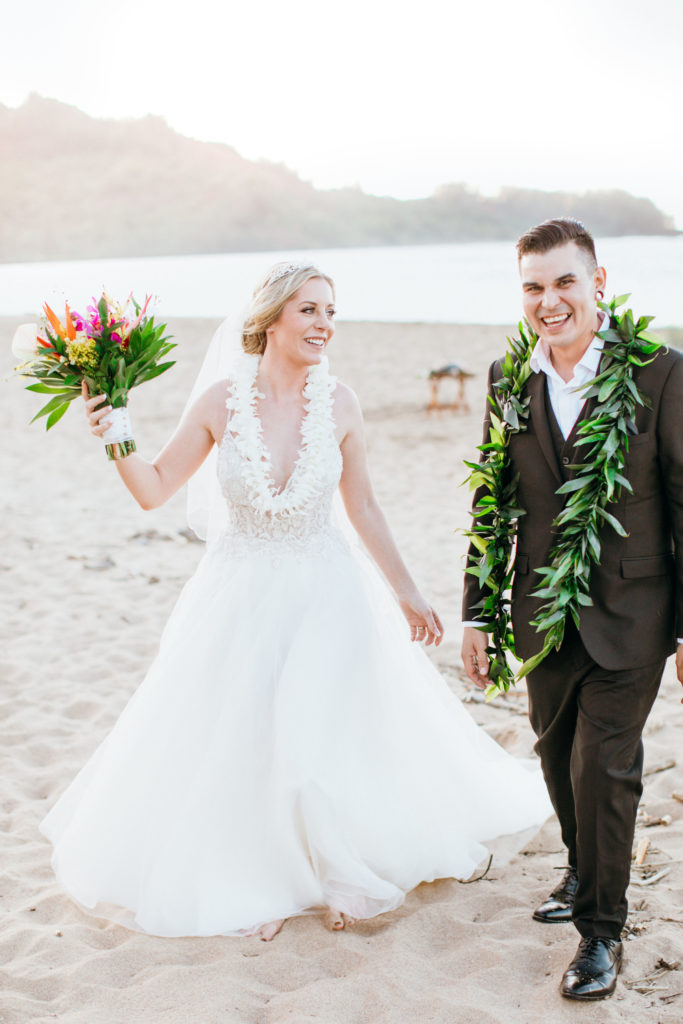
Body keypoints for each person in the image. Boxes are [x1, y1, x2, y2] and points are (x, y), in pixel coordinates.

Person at [41, 261, 550, 941]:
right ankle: (260, 873)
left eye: (330, 312)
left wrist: (407, 591)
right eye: (309, 310)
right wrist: (114, 433)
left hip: (324, 586)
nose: (323, 325)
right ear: (270, 319)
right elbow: (153, 487)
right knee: (244, 735)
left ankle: (340, 868)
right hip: (239, 590)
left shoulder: (340, 403)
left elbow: (361, 504)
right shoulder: (221, 401)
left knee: (320, 731)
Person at [461, 219, 683, 1001]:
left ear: (596, 281)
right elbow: (493, 503)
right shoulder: (504, 376)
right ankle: (581, 868)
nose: (548, 301)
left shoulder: (658, 372)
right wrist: (477, 615)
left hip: (635, 610)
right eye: (532, 286)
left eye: (563, 282)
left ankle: (600, 932)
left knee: (605, 768)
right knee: (555, 758)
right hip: (539, 614)